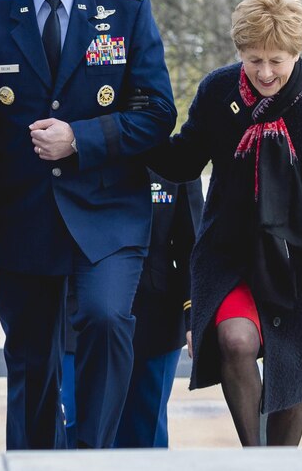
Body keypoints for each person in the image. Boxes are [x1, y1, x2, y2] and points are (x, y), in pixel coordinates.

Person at [0, 0, 177, 449]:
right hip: (20, 216)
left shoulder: (125, 12)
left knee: (105, 322)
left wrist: (82, 138)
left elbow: (157, 113)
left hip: (108, 215)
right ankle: (31, 462)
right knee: (31, 361)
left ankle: (92, 457)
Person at [147, 0, 302, 446]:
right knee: (235, 342)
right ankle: (254, 457)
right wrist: (132, 131)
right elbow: (184, 160)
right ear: (240, 53)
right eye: (254, 60)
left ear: (297, 51)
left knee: (291, 374)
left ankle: (280, 462)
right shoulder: (217, 90)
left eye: (277, 60)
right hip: (232, 259)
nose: (265, 72)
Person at [60, 170, 202, 448]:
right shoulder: (75, 149)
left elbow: (191, 246)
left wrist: (194, 316)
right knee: (79, 429)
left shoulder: (174, 161)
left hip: (155, 322)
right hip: (79, 319)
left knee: (144, 433)